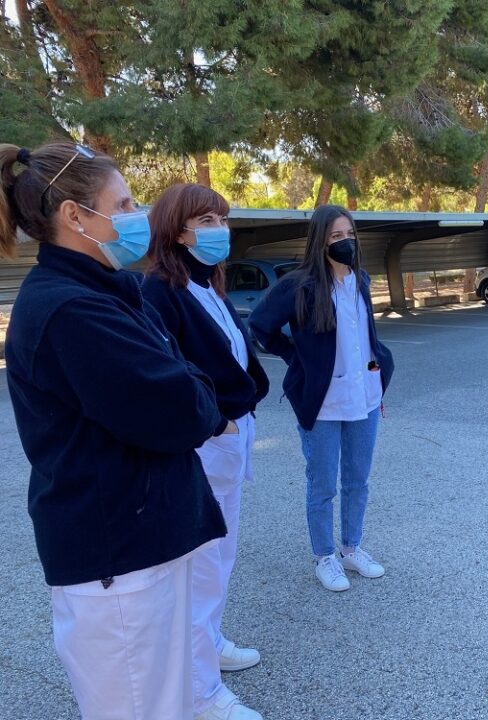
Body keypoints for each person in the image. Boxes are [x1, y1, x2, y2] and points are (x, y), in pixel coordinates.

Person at [1, 142, 227, 719]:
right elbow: (186, 409)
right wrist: (193, 386)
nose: (137, 214)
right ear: (75, 216)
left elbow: (190, 383)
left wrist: (191, 383)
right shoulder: (73, 310)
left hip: (144, 542)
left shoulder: (106, 293)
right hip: (119, 562)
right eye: (123, 202)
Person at [142, 184, 269, 720]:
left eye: (222, 217)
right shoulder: (159, 292)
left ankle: (209, 646)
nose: (218, 228)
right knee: (196, 570)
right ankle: (199, 692)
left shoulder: (208, 287)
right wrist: (218, 423)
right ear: (177, 229)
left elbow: (234, 358)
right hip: (203, 447)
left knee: (219, 560)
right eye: (205, 219)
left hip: (229, 445)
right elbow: (168, 377)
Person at [249, 205, 393, 592]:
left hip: (365, 398)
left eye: (349, 235)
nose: (345, 242)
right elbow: (260, 326)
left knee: (358, 480)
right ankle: (325, 556)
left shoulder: (360, 279)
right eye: (335, 237)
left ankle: (351, 547)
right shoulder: (299, 285)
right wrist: (296, 356)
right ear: (319, 242)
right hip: (324, 404)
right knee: (323, 483)